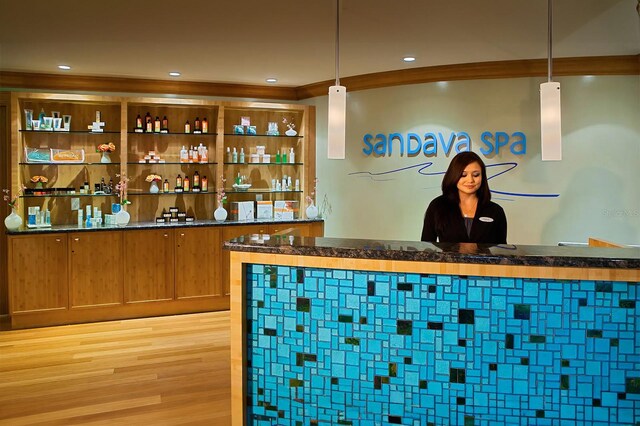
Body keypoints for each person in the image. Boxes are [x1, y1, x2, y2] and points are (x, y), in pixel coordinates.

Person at [421, 151, 507, 244]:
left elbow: (501, 251)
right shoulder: (437, 206)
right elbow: (426, 247)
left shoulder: (495, 211)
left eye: (476, 175)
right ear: (454, 175)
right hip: (446, 259)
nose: (470, 180)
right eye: (463, 175)